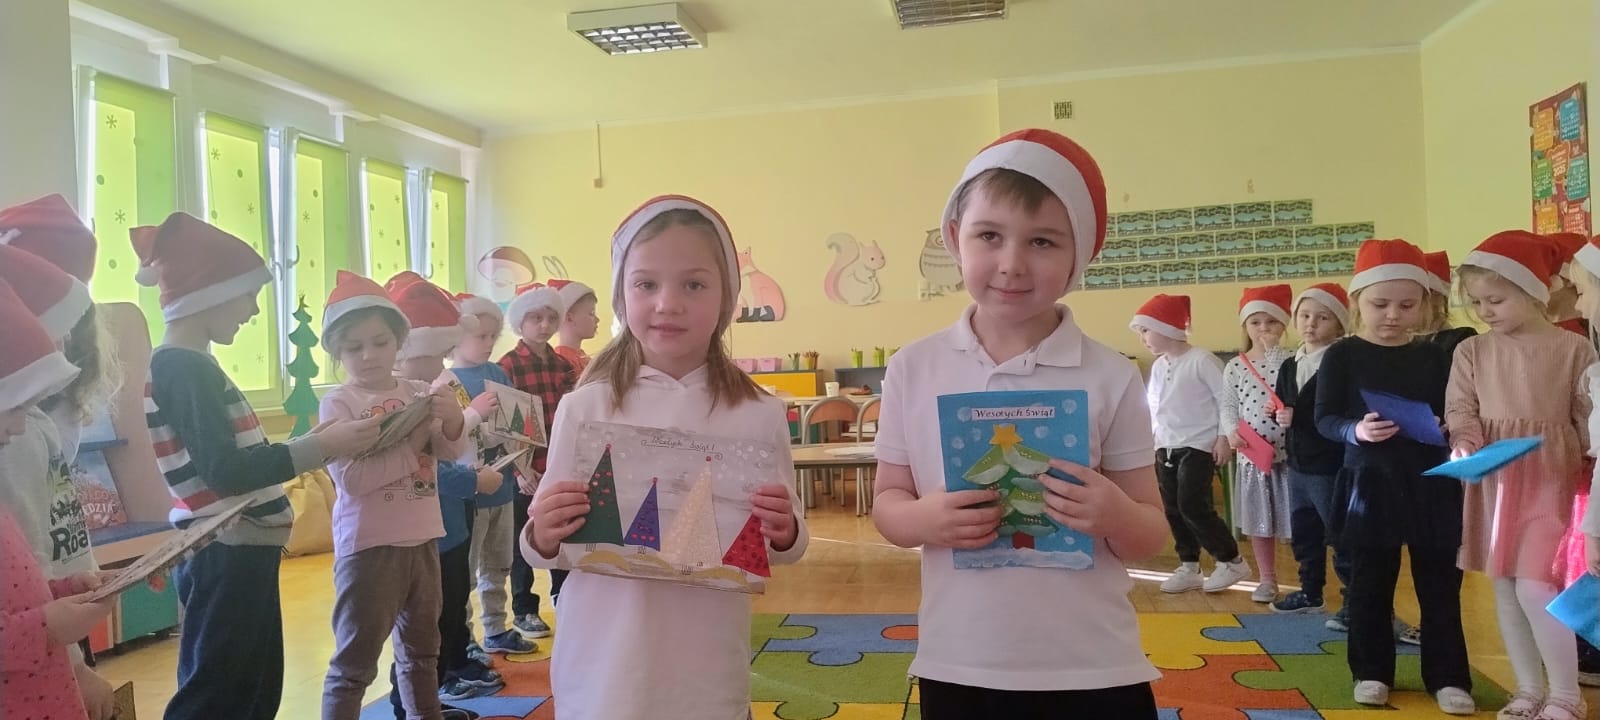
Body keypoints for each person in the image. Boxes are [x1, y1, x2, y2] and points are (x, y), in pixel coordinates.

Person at [872, 129, 1168, 718]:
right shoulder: (913, 367)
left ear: (1079, 255)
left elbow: (1151, 532)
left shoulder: (1112, 375)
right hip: (960, 662)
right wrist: (924, 519)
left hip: (1095, 665)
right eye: (989, 236)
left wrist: (1114, 515)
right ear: (954, 238)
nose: (1011, 264)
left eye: (1042, 241)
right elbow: (888, 503)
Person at [523, 194, 807, 719]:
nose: (668, 303)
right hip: (603, 668)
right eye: (646, 284)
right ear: (621, 296)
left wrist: (785, 529)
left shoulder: (758, 413)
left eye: (693, 285)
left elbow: (786, 544)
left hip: (706, 671)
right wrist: (542, 531)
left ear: (726, 299)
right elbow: (543, 544)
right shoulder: (585, 407)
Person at [132, 213, 380, 720]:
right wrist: (320, 447)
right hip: (225, 549)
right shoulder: (182, 366)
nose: (252, 311)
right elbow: (226, 470)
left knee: (254, 685)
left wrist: (318, 442)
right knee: (219, 692)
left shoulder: (193, 363)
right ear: (210, 293)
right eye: (248, 296)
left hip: (241, 550)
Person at [1314, 238, 1473, 715]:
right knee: (1370, 586)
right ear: (1357, 303)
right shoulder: (1342, 355)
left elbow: (1453, 410)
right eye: (1380, 304)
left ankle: (1448, 677)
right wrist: (1356, 430)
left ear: (1425, 304)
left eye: (1406, 305)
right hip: (1370, 485)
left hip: (1431, 484)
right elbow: (1323, 419)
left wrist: (1445, 426)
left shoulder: (1435, 355)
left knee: (1440, 587)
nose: (1392, 315)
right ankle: (1371, 671)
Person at [1446, 232, 1593, 720]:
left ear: (1534, 291)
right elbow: (1461, 409)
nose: (1484, 311)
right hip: (1497, 479)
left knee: (1537, 585)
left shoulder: (1574, 348)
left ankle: (1566, 694)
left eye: (1496, 299)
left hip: (1552, 477)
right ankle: (1528, 690)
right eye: (1476, 302)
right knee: (1506, 585)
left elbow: (1587, 417)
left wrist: (1588, 475)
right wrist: (1465, 442)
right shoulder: (1471, 352)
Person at [317, 271, 467, 720]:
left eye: (380, 342)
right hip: (369, 547)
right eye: (354, 347)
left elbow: (449, 452)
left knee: (423, 653)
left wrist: (454, 420)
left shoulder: (417, 391)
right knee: (354, 664)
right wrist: (414, 441)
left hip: (423, 538)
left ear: (399, 341)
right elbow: (354, 481)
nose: (368, 355)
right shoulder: (338, 403)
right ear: (337, 353)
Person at [0, 277, 117, 720]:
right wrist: (50, 628)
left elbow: (17, 587)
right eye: (14, 408)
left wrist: (64, 590)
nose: (20, 426)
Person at [1129, 293, 1248, 594]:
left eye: (1146, 330)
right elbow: (1154, 405)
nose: (1142, 338)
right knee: (1172, 508)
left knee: (1192, 504)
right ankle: (1189, 566)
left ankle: (1231, 560)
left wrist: (1223, 437)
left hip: (1198, 445)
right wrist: (1152, 440)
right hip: (1165, 446)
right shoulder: (1159, 366)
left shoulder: (1201, 360)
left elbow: (1226, 400)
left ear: (1166, 327)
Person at [498, 283, 576, 639]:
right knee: (522, 538)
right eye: (535, 318)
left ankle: (563, 594)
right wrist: (520, 469)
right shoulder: (508, 366)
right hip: (525, 469)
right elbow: (504, 424)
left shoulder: (562, 365)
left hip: (557, 465)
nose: (544, 325)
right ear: (520, 322)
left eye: (550, 318)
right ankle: (524, 608)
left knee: (561, 529)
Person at [1270, 283, 1352, 616]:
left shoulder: (1341, 363)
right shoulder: (1290, 364)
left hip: (1328, 464)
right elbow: (1284, 403)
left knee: (1339, 532)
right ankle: (1310, 592)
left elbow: (1340, 411)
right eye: (1304, 316)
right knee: (1305, 530)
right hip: (1297, 462)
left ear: (1339, 324)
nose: (1311, 324)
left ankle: (1353, 598)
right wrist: (1277, 413)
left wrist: (1298, 416)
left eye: (1322, 317)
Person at [1221, 284, 1295, 603]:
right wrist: (1230, 431)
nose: (1263, 328)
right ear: (1245, 326)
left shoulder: (1292, 359)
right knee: (1259, 521)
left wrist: (1275, 354)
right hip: (1253, 456)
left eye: (1271, 322)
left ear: (1284, 324)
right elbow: (1228, 404)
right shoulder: (1236, 365)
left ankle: (1309, 579)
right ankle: (1267, 578)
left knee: (1297, 519)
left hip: (1291, 456)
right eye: (1255, 322)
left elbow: (1291, 389)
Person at [549, 279, 600, 376]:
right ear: (569, 318)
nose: (597, 319)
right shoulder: (560, 361)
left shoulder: (583, 358)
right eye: (591, 313)